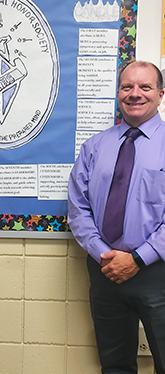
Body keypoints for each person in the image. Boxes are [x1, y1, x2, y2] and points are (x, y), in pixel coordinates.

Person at [68, 61, 165, 374]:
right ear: (118, 93)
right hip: (105, 270)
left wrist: (137, 258)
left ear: (160, 94)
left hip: (157, 272)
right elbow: (78, 208)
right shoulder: (95, 147)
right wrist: (103, 255)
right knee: (114, 366)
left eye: (145, 87)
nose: (135, 94)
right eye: (127, 87)